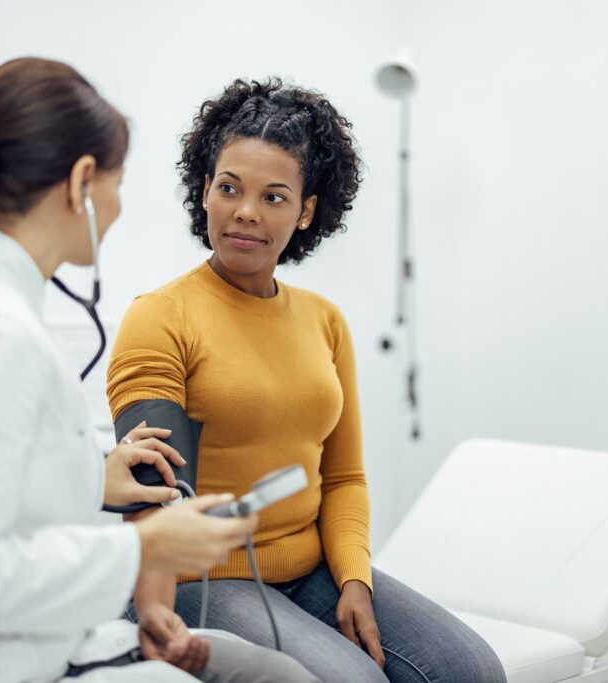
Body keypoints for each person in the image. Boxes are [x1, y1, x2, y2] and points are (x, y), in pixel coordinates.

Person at [0, 58, 318, 683]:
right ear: (82, 181)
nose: (116, 207)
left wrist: (88, 478)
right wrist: (142, 547)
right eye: (117, 182)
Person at [106, 78, 507, 683]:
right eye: (229, 188)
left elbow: (343, 477)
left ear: (306, 211)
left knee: (470, 668)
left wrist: (354, 580)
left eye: (274, 196)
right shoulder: (161, 317)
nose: (246, 211)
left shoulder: (324, 321)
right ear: (205, 190)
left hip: (309, 570)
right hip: (199, 578)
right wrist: (156, 612)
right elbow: (154, 499)